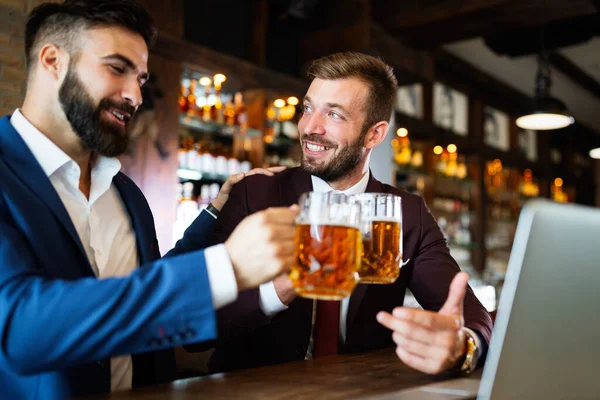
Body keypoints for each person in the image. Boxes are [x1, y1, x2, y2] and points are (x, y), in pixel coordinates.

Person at [0, 1, 296, 399]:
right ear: (53, 60)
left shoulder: (126, 193)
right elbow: (21, 328)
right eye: (116, 68)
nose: (135, 95)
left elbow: (141, 290)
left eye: (140, 78)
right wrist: (226, 268)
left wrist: (214, 212)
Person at [203, 52, 493, 376]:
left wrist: (462, 346)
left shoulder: (407, 213)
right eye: (308, 108)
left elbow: (469, 314)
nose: (310, 127)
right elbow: (201, 324)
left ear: (375, 134)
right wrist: (279, 291)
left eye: (334, 115)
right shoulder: (254, 193)